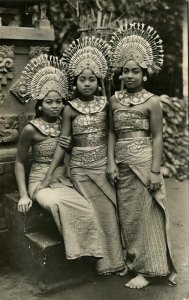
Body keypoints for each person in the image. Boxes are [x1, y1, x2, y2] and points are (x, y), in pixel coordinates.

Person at [38, 36, 125, 275]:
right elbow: (63, 144)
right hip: (80, 169)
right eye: (82, 79)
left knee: (110, 211)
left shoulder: (106, 104)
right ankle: (101, 263)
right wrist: (48, 176)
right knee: (94, 214)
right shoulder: (68, 108)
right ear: (75, 82)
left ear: (98, 82)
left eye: (91, 79)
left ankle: (118, 260)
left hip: (102, 164)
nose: (87, 83)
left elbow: (111, 133)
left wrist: (111, 162)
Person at [108, 22, 177, 289]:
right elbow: (112, 133)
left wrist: (155, 170)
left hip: (145, 162)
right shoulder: (114, 101)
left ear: (144, 74)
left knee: (149, 215)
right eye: (125, 71)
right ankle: (135, 261)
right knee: (129, 215)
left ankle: (150, 269)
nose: (129, 76)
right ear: (120, 74)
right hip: (122, 165)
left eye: (135, 71)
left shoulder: (153, 102)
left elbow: (158, 136)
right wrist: (111, 163)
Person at [15, 54, 104, 261]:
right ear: (39, 104)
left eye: (58, 102)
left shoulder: (67, 122)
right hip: (40, 181)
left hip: (65, 179)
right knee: (56, 203)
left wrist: (72, 145)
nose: (54, 106)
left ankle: (90, 254)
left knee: (87, 206)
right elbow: (19, 162)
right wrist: (23, 195)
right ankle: (76, 252)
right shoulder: (31, 129)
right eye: (48, 102)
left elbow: (71, 151)